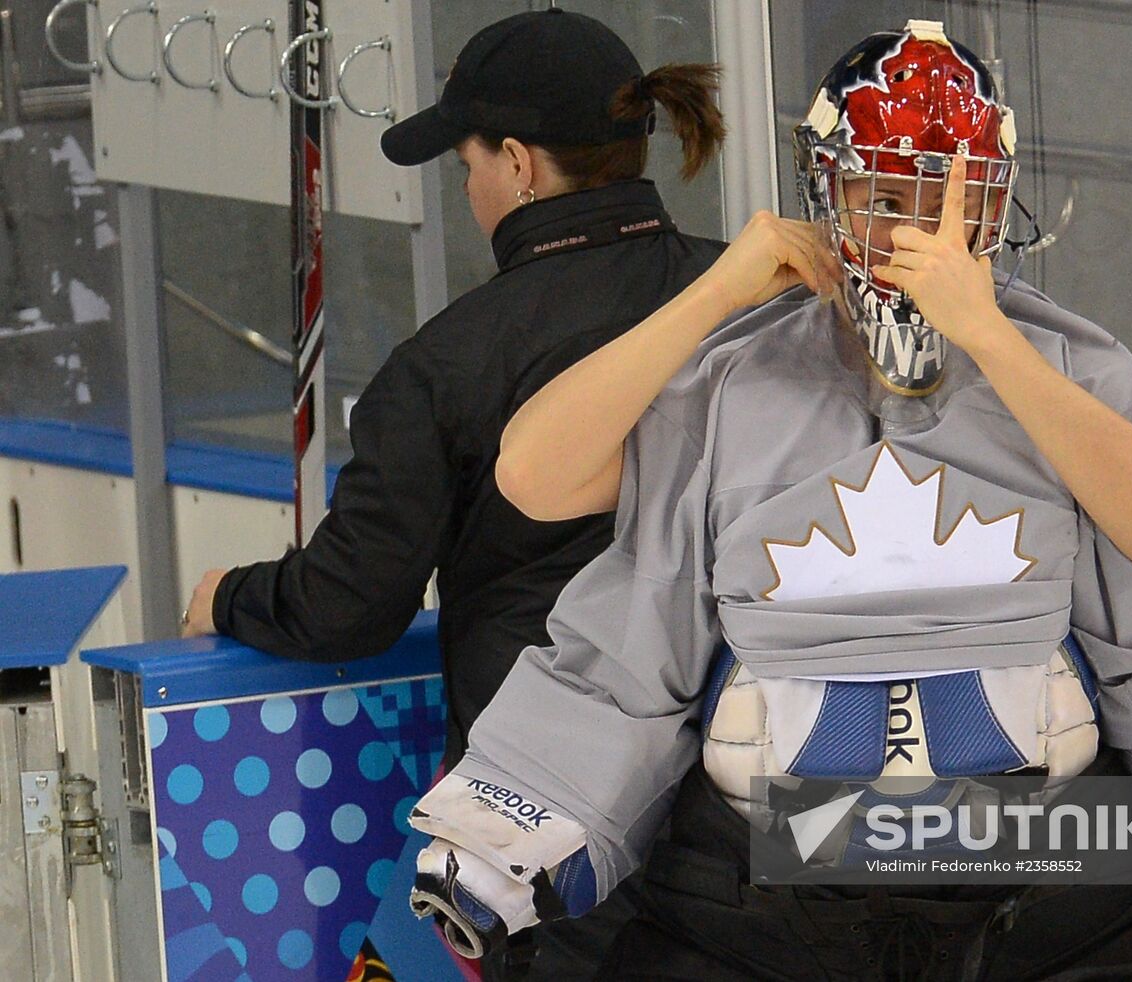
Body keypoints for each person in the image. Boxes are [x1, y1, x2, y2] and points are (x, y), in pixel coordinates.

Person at [406, 20, 1132, 981]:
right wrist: (714, 295)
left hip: (1047, 862)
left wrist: (991, 338)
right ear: (827, 197)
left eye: (951, 201)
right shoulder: (729, 380)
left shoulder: (1066, 364)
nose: (917, 235)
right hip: (765, 881)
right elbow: (568, 532)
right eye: (883, 198)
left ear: (994, 205)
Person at [178, 8, 727, 978]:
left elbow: (346, 605)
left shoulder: (443, 367)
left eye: (466, 165)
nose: (469, 189)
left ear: (517, 164)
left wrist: (225, 595)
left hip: (558, 836)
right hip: (746, 829)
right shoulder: (744, 295)